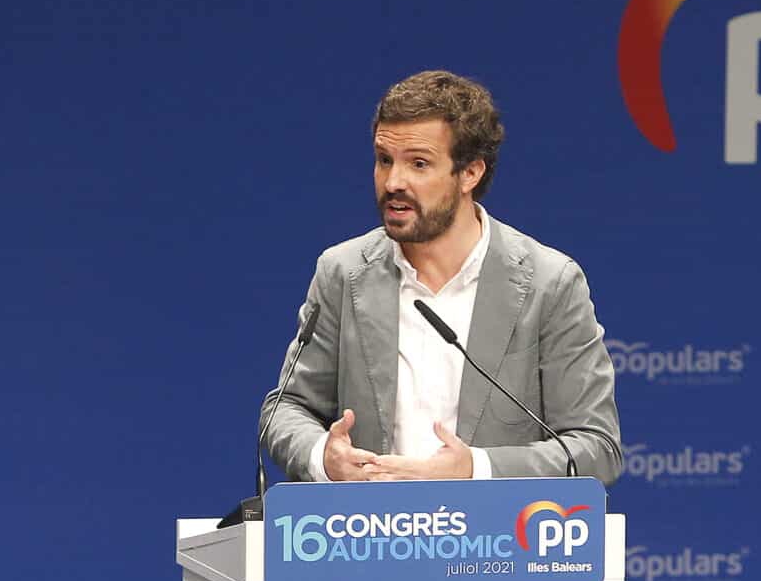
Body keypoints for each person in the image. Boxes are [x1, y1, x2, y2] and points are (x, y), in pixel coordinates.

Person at [258, 70, 623, 486]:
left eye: (419, 164)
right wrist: (323, 455)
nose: (394, 182)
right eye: (384, 160)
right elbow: (287, 408)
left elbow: (596, 449)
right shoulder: (342, 272)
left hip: (494, 545)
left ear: (470, 174)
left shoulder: (549, 284)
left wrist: (475, 469)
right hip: (364, 539)